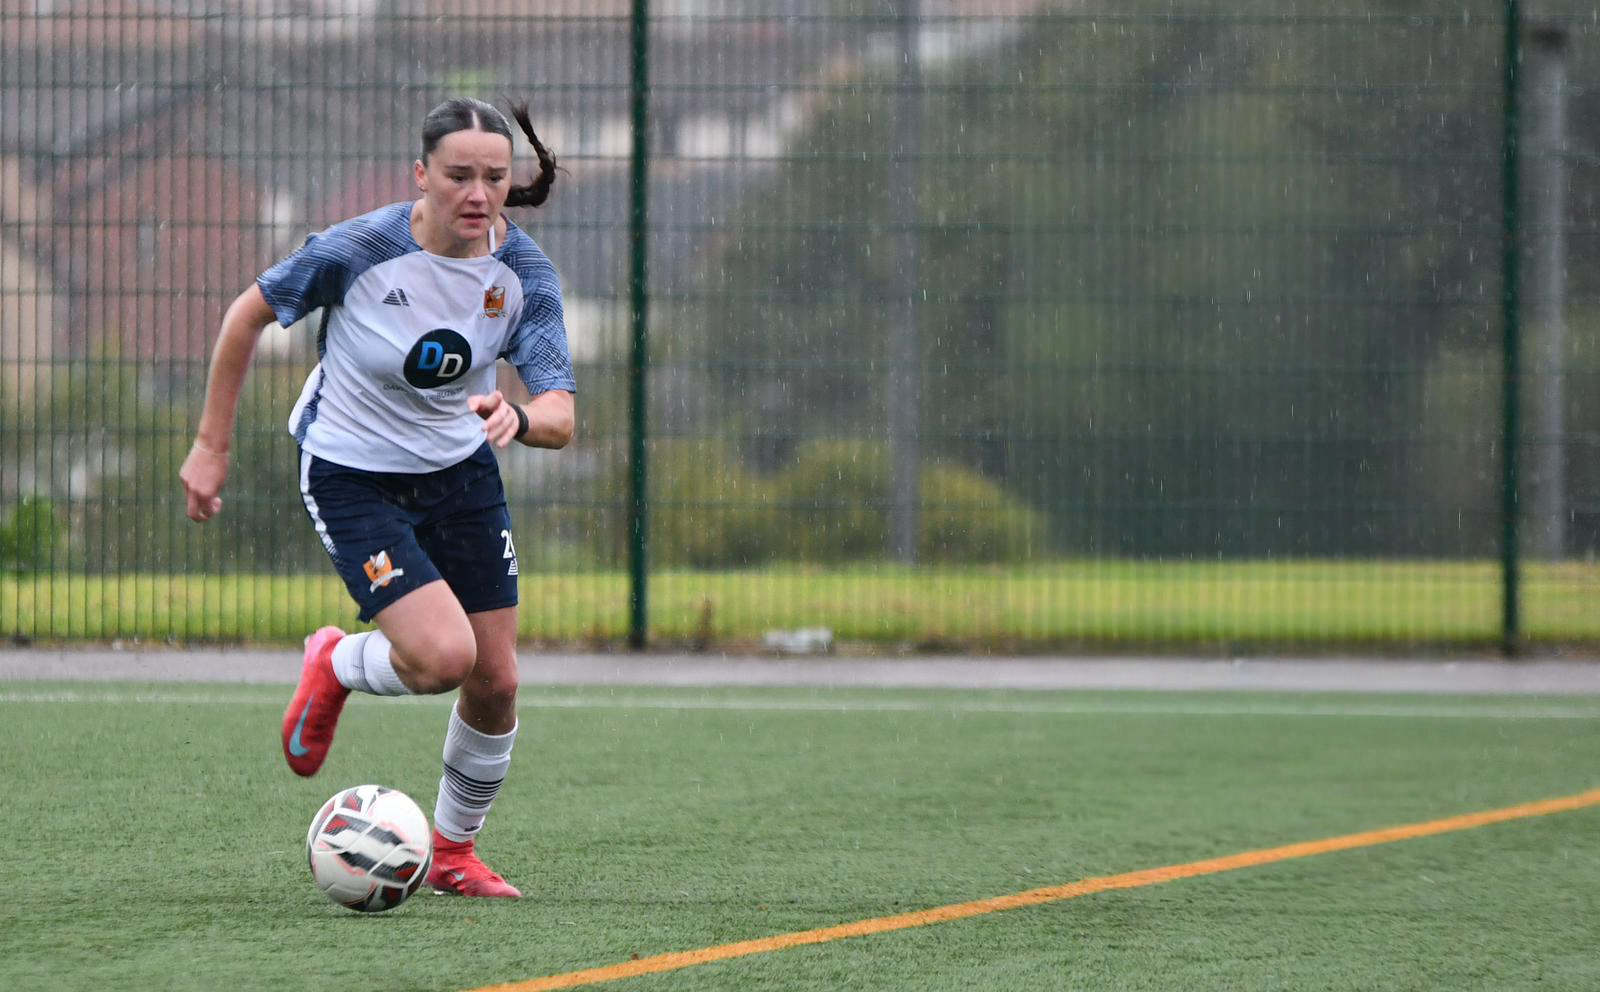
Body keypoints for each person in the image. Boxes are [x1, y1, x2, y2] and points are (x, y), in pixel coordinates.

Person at [178, 97, 575, 899]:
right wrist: (211, 446)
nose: (478, 193)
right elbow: (247, 315)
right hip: (352, 472)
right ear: (420, 176)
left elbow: (562, 414)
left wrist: (519, 414)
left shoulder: (524, 275)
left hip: (462, 475)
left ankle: (455, 854)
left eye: (494, 178)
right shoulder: (360, 248)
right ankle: (333, 660)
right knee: (442, 658)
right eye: (458, 175)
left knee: (495, 681)